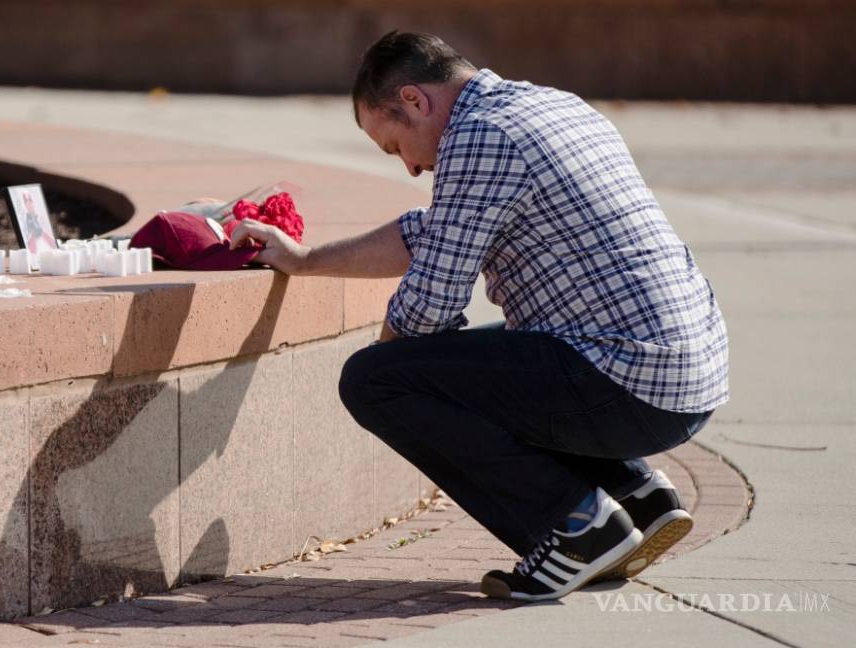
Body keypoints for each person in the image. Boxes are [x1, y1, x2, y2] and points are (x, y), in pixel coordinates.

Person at [228, 30, 728, 603]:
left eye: (395, 147)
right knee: (486, 362)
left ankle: (575, 528)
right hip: (687, 375)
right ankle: (638, 495)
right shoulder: (549, 104)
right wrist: (306, 261)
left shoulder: (482, 138)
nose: (412, 169)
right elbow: (428, 233)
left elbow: (429, 306)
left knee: (375, 381)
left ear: (415, 101)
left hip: (627, 384)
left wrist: (393, 359)